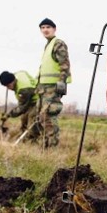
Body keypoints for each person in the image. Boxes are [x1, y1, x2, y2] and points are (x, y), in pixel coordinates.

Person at [36, 17, 72, 148]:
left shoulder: (58, 43)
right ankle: (46, 145)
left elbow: (64, 64)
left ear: (54, 29)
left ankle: (52, 147)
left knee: (49, 115)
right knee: (42, 117)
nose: (45, 30)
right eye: (43, 28)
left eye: (48, 27)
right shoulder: (48, 45)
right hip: (44, 88)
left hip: (54, 87)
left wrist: (61, 83)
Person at [0, 70, 39, 139]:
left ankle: (32, 139)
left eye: (8, 85)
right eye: (6, 86)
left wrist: (8, 115)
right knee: (24, 118)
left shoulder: (23, 90)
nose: (8, 88)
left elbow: (22, 108)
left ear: (13, 81)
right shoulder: (17, 75)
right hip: (30, 99)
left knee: (32, 116)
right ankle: (24, 135)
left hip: (39, 99)